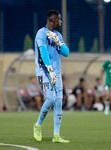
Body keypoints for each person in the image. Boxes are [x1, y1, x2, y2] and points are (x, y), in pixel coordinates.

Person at [33, 10, 69, 143]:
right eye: (59, 20)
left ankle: (56, 135)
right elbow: (43, 53)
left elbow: (66, 53)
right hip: (43, 71)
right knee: (51, 98)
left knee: (59, 101)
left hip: (57, 73)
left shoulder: (58, 35)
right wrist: (50, 69)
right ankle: (38, 125)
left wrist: (59, 42)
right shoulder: (41, 33)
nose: (60, 22)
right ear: (53, 21)